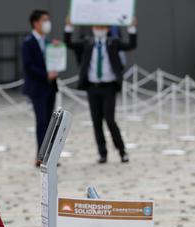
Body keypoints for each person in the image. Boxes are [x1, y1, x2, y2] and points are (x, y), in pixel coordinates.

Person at [65, 17, 138, 163]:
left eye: (102, 26)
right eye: (96, 26)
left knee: (110, 119)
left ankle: (122, 150)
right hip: (93, 87)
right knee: (96, 121)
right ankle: (102, 153)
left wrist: (131, 29)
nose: (99, 29)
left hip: (109, 86)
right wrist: (68, 27)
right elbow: (69, 44)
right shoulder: (87, 42)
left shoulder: (113, 42)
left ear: (107, 28)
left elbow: (131, 45)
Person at [21, 9, 59, 166]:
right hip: (37, 87)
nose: (47, 23)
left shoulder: (48, 42)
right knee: (41, 121)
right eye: (44, 20)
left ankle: (49, 155)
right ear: (36, 23)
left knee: (51, 122)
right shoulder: (28, 42)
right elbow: (28, 65)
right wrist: (45, 75)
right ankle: (41, 156)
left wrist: (58, 48)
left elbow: (55, 60)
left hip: (50, 87)